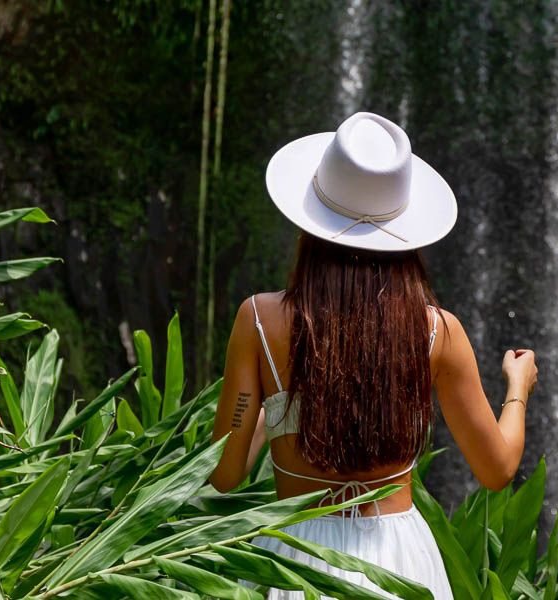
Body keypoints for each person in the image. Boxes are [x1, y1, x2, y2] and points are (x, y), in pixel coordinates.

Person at [209, 112, 537, 599]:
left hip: (298, 559)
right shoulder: (437, 332)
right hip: (399, 561)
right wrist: (517, 387)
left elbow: (224, 473)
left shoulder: (259, 319)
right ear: (404, 230)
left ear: (310, 221)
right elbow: (497, 469)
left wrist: (274, 408)